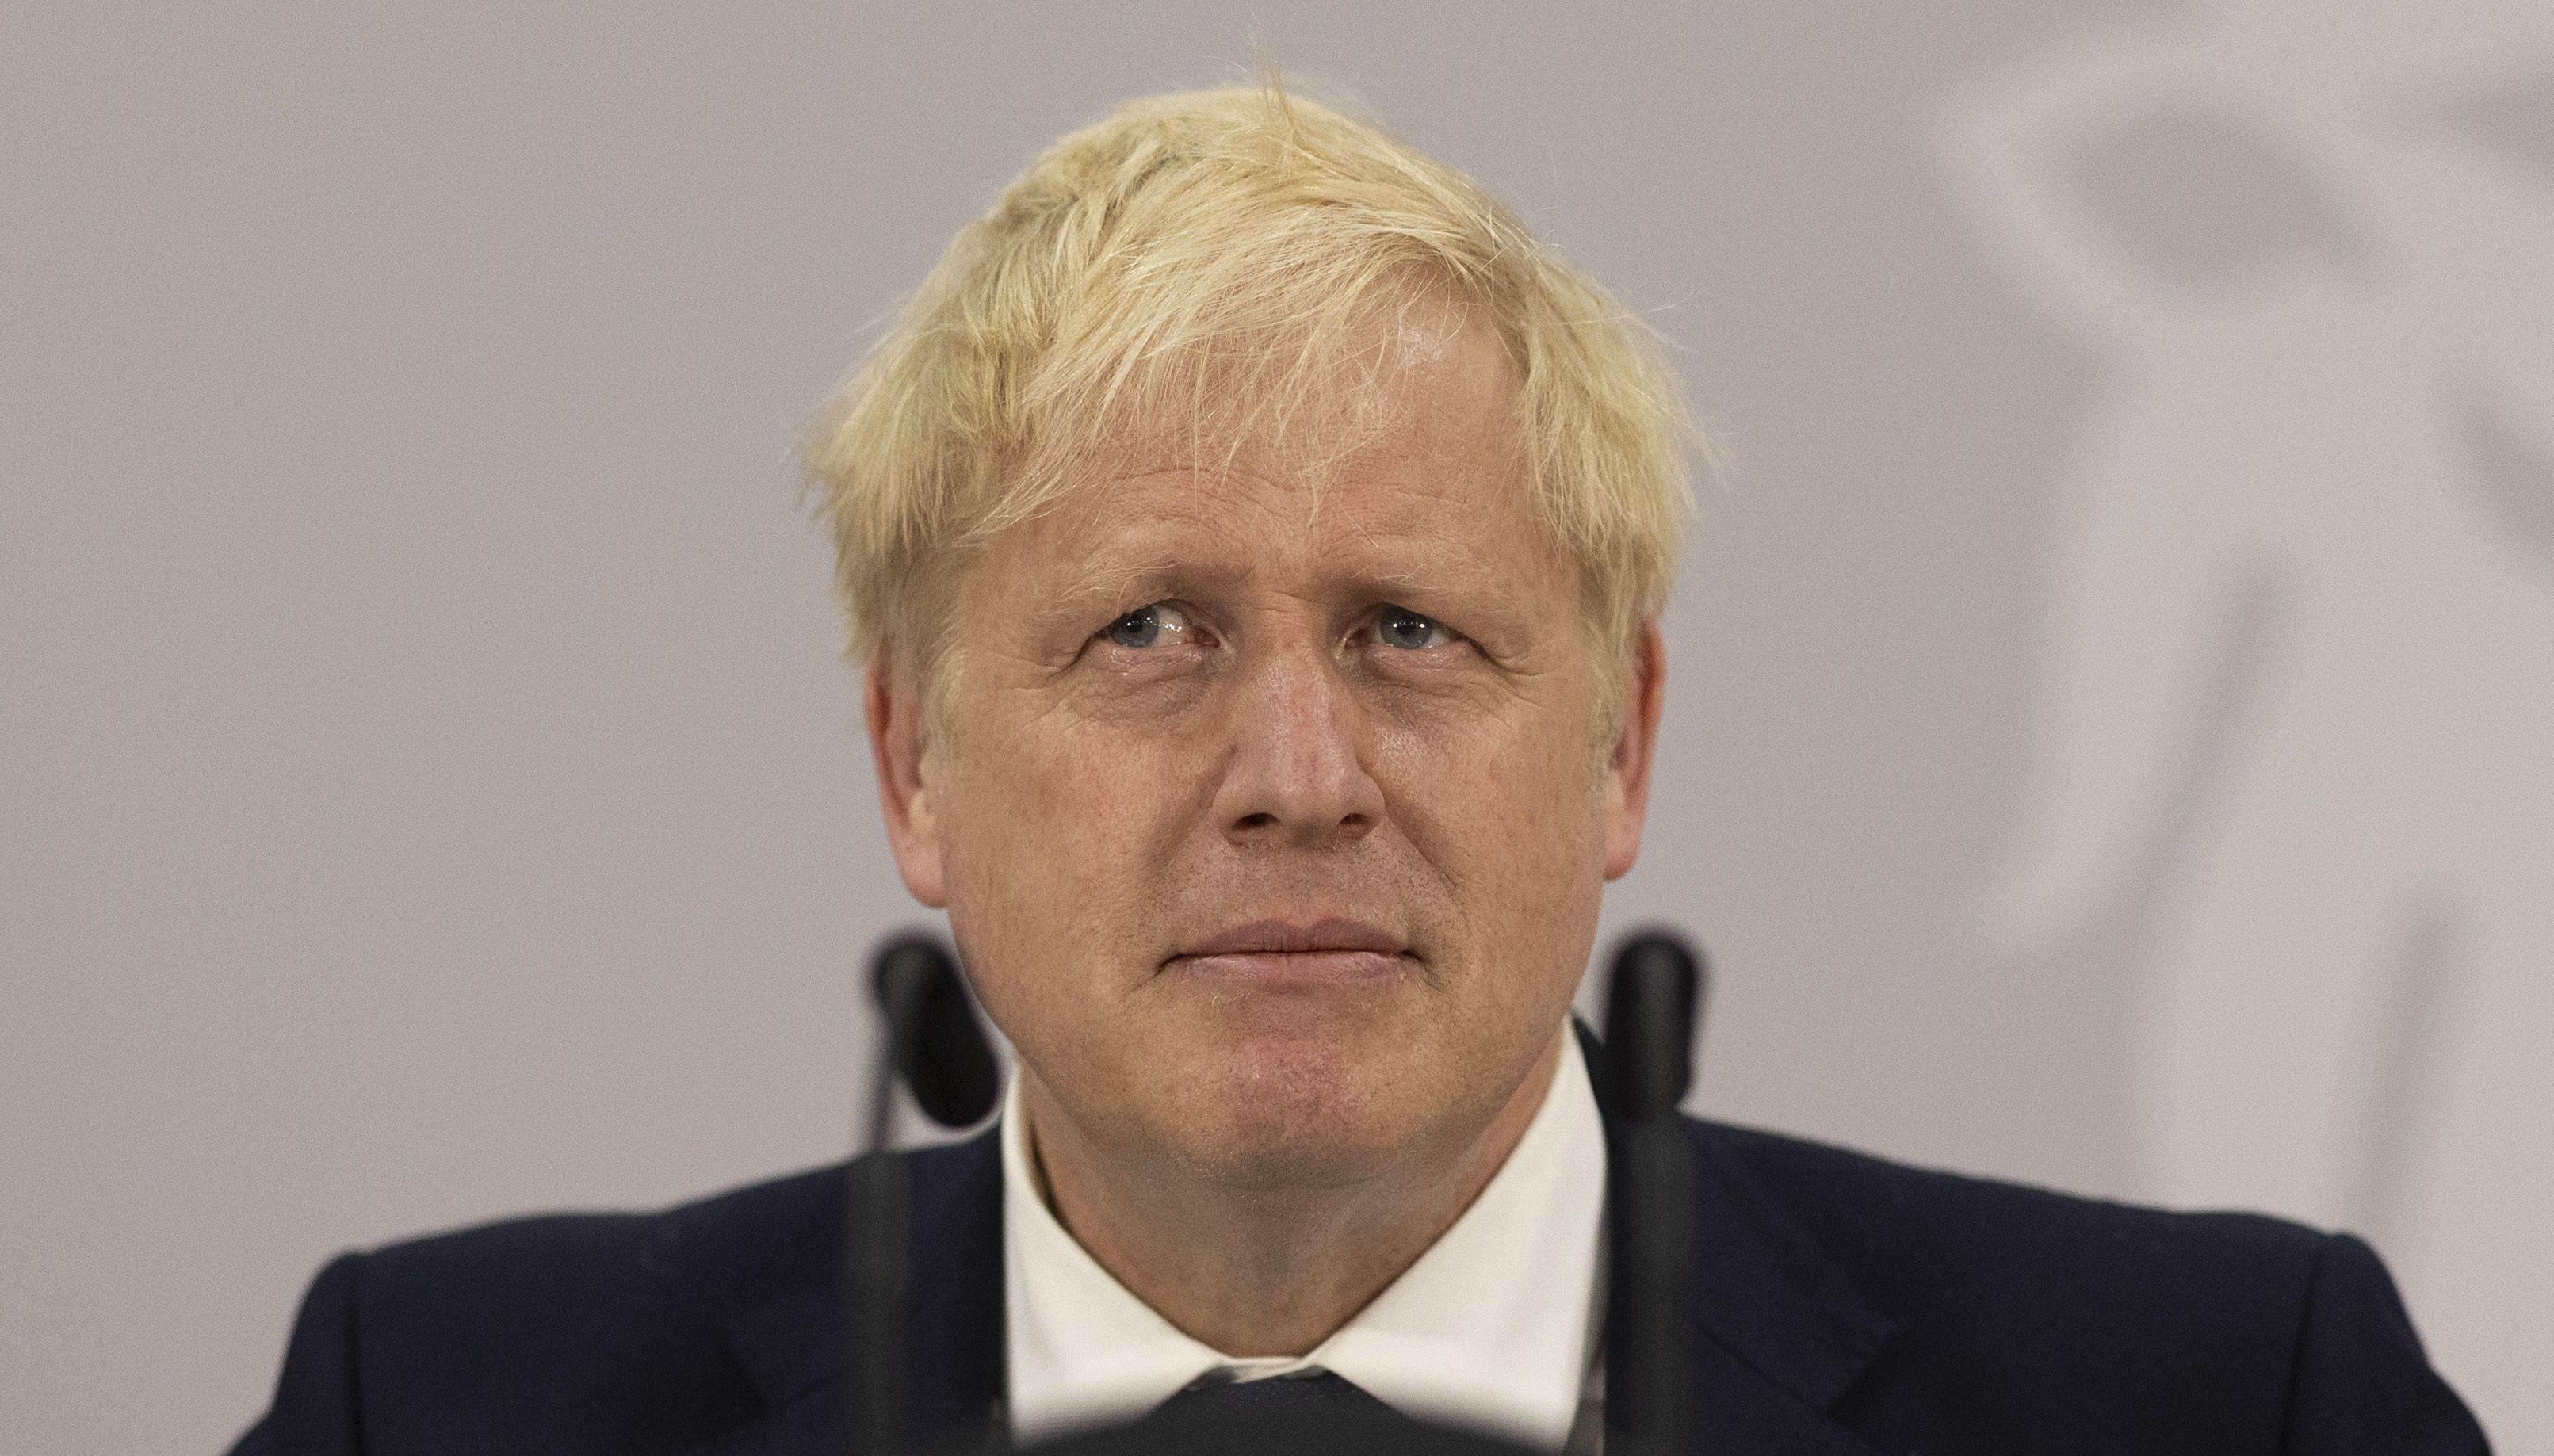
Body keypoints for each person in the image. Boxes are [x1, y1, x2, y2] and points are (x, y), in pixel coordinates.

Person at [229, 82, 2488, 1454]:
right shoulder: (435, 1410)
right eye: (1151, 635)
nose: (1297, 774)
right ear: (913, 767)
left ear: (1622, 744)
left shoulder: (2227, 1408)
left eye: (1409, 632)